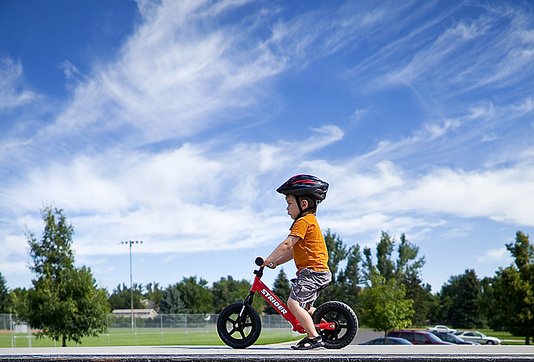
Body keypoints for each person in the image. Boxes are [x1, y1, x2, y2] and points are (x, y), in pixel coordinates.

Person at [262, 174, 331, 350]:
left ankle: (314, 337)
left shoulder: (303, 221)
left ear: (304, 204)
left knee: (293, 304)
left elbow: (287, 244)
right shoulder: (309, 222)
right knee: (305, 307)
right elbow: (293, 251)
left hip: (312, 272)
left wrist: (268, 259)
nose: (287, 209)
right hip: (316, 271)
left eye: (289, 203)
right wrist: (276, 263)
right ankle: (327, 327)